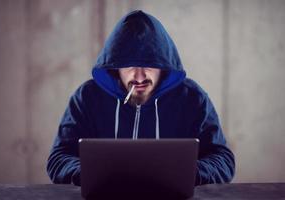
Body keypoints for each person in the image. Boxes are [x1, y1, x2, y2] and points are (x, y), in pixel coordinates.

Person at [47, 10, 235, 186]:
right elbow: (59, 158)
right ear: (115, 67)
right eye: (129, 66)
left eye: (149, 65)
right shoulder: (87, 98)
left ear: (164, 65)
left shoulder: (193, 98)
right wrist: (89, 173)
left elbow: (223, 160)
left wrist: (188, 173)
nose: (139, 77)